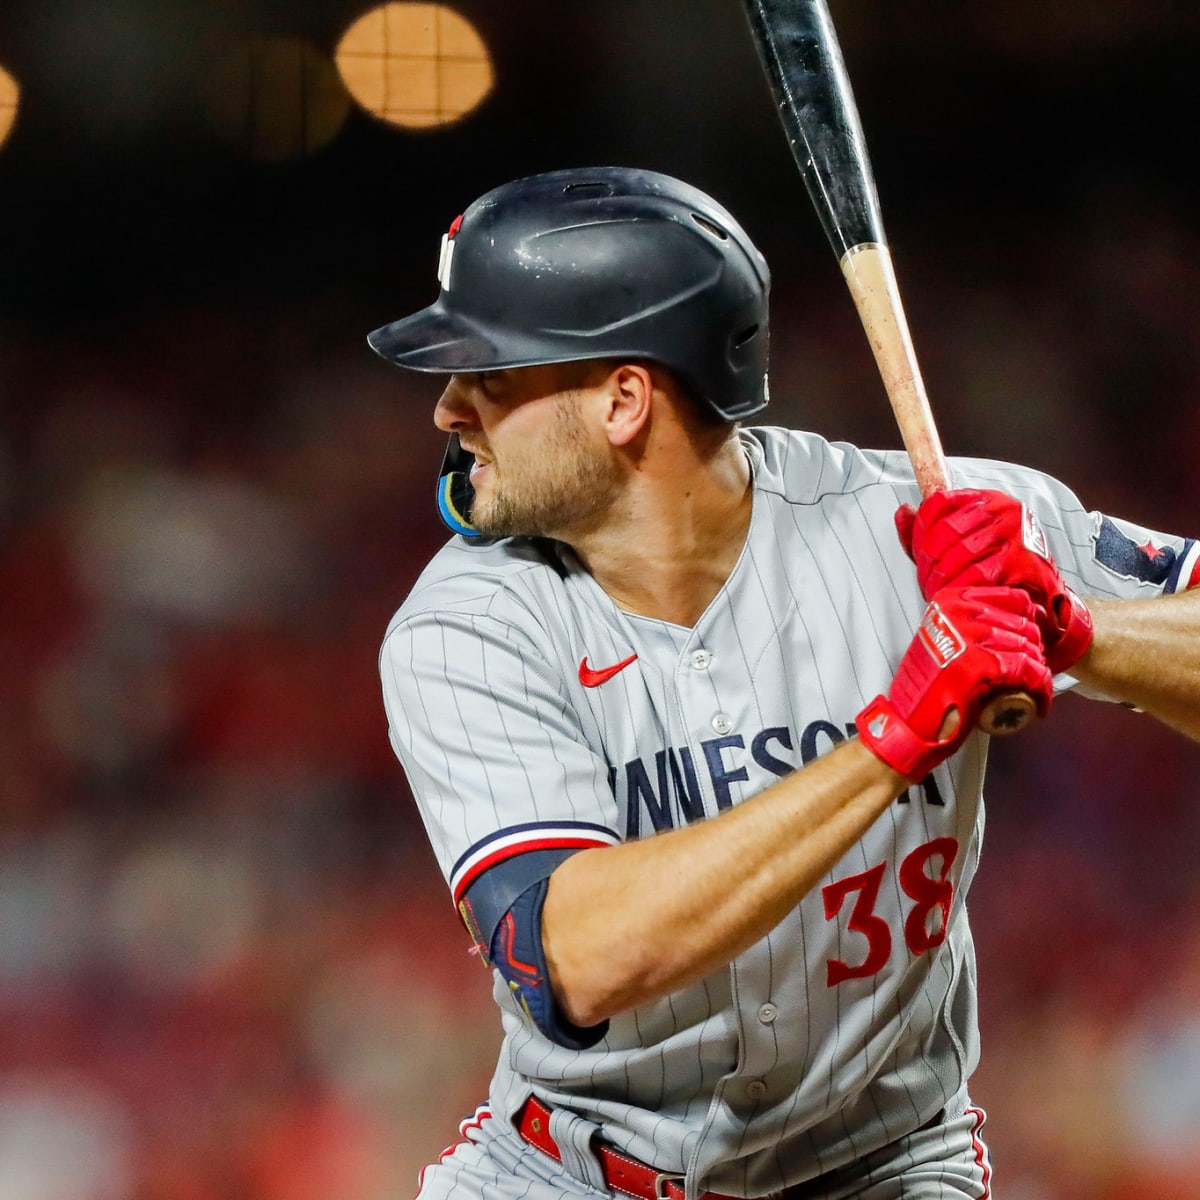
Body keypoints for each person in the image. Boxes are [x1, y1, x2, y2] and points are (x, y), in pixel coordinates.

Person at [369, 166, 1200, 1200]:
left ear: (624, 399)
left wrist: (1067, 629)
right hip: (568, 1173)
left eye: (489, 375)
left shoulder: (916, 525)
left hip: (886, 1169)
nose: (449, 408)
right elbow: (573, 958)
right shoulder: (466, 625)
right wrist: (899, 731)